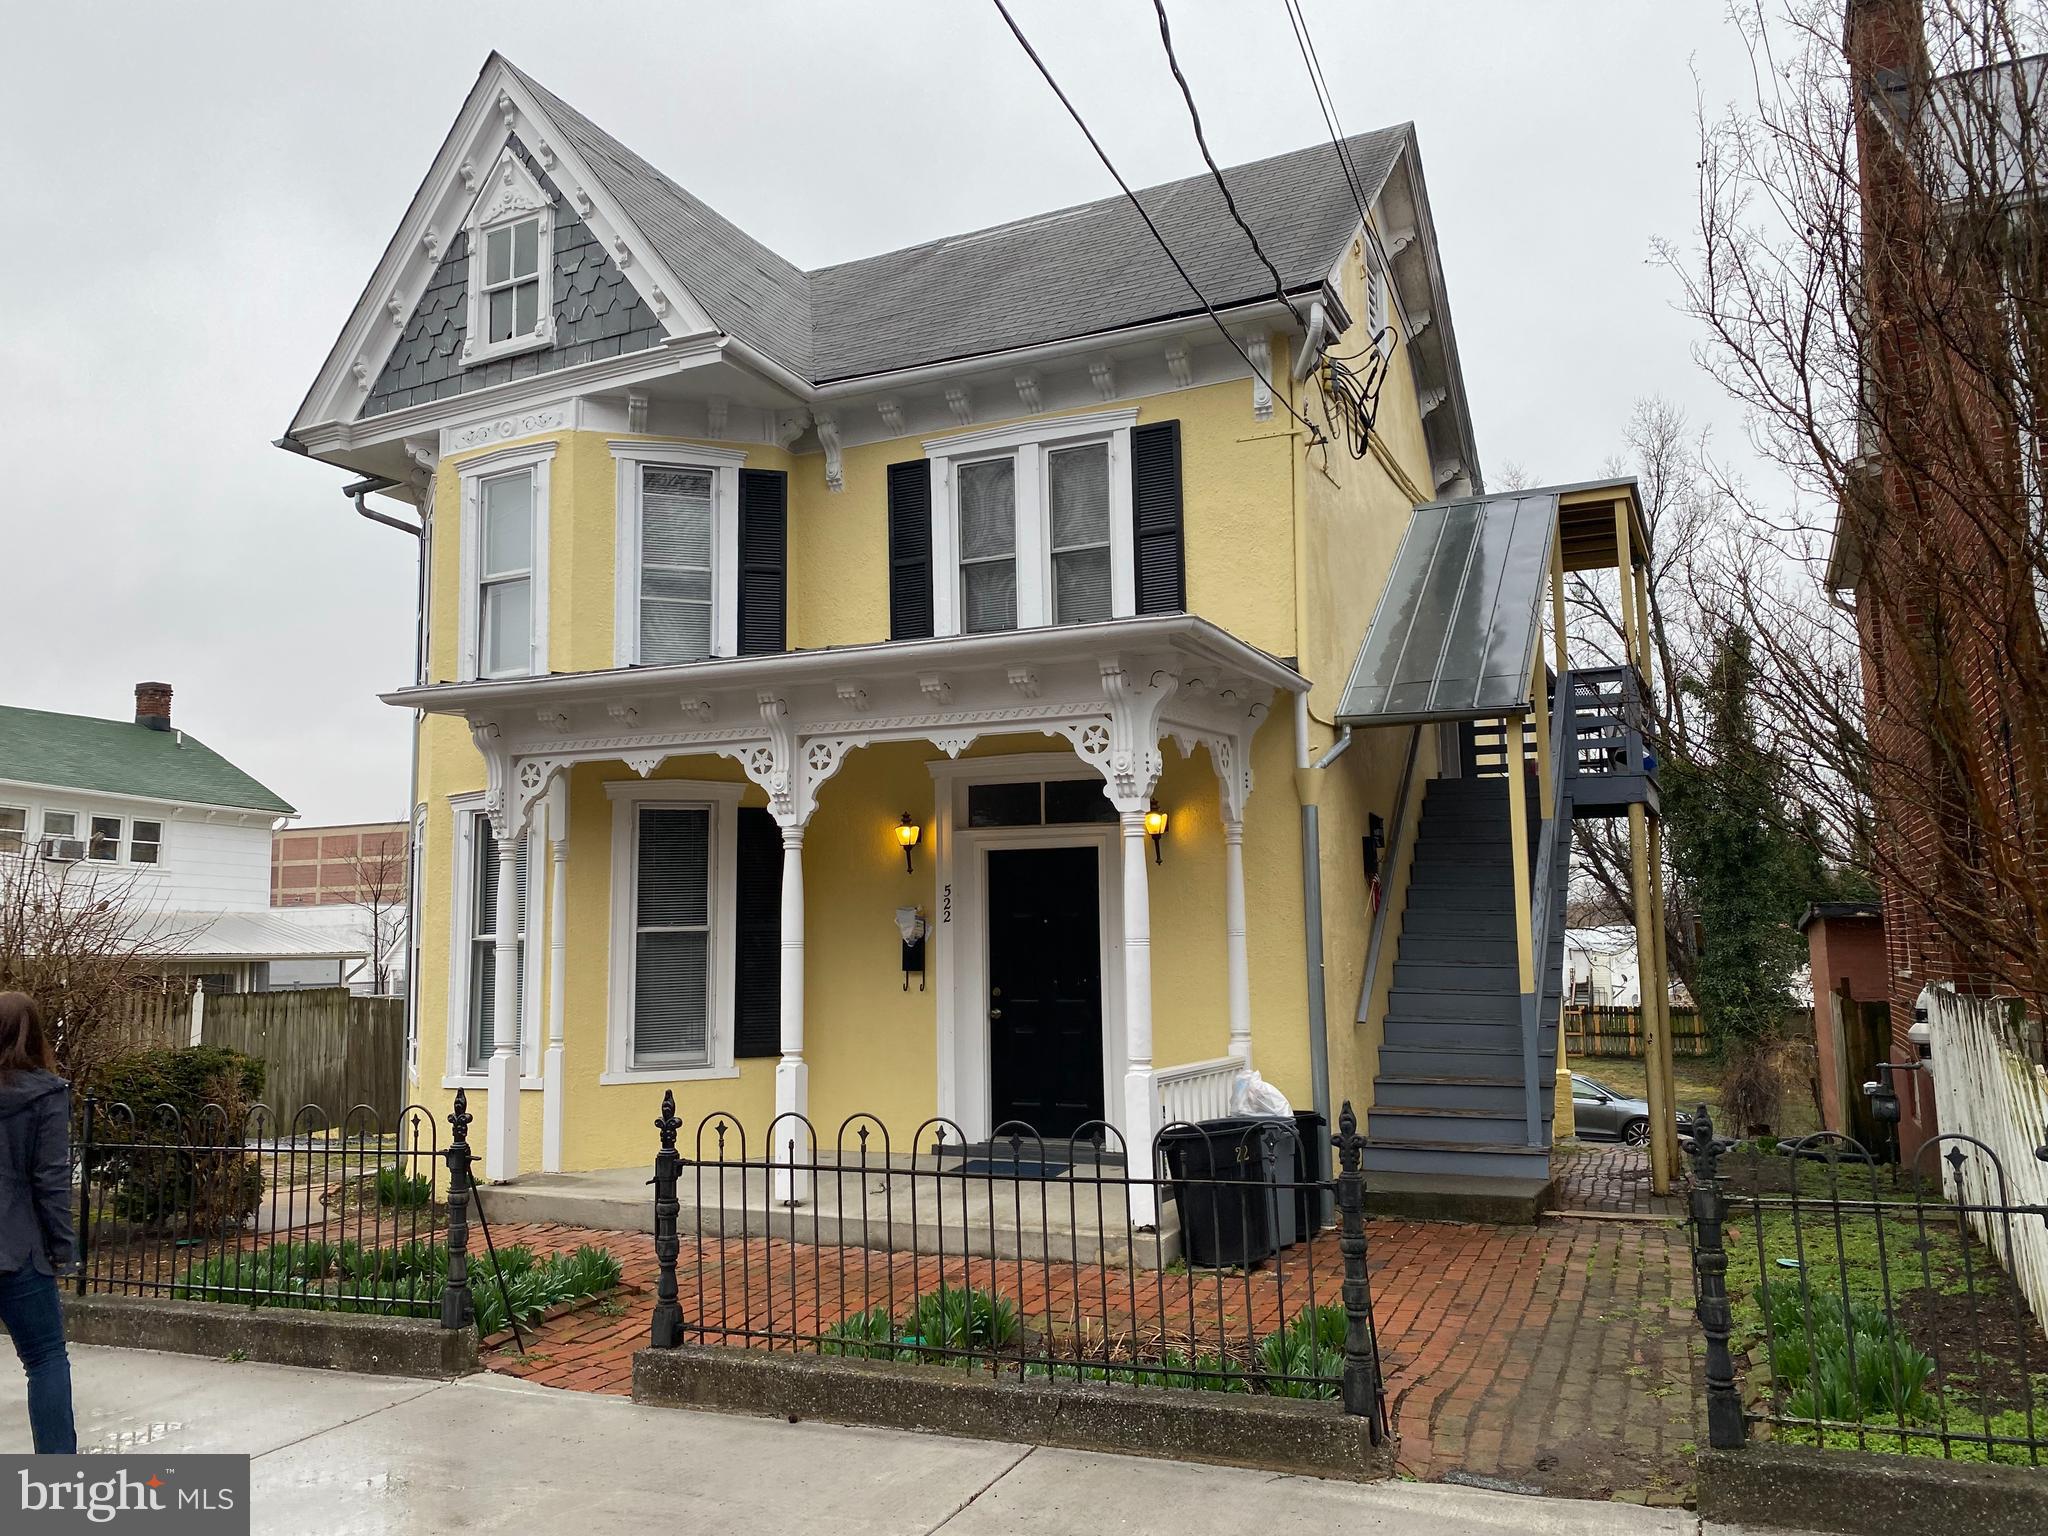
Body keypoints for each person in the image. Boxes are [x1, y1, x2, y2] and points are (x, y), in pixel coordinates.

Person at [0, 991, 77, 1453]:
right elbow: (51, 1182)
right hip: (19, 1249)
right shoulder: (47, 1094)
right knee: (46, 1359)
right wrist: (63, 1250)